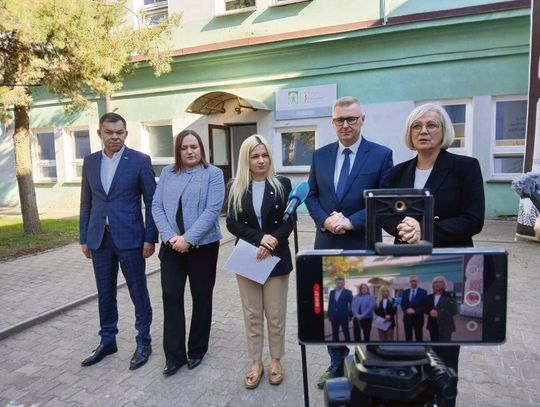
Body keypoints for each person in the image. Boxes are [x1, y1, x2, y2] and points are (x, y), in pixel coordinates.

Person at [382, 103, 485, 405]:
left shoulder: (465, 167)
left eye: (432, 125)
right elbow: (384, 212)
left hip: (449, 268)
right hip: (408, 268)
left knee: (444, 347)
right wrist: (402, 228)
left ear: (444, 132)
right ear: (409, 133)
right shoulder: (399, 172)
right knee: (408, 340)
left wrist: (425, 230)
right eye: (417, 126)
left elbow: (473, 219)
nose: (424, 131)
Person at [305, 96, 393, 388]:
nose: (345, 125)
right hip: (327, 242)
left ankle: (367, 364)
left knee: (365, 309)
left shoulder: (381, 155)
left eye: (351, 119)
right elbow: (312, 195)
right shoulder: (320, 156)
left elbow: (382, 203)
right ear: (332, 123)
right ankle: (336, 365)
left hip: (362, 244)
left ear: (362, 120)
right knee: (334, 310)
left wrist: (351, 221)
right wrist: (325, 219)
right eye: (339, 120)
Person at [79, 112, 158, 370]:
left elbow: (152, 202)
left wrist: (150, 237)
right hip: (99, 240)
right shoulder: (90, 162)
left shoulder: (139, 160)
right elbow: (87, 202)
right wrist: (84, 237)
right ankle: (107, 339)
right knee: (105, 292)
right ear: (99, 133)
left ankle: (143, 340)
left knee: (138, 291)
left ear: (126, 133)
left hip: (131, 239)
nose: (114, 137)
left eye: (119, 132)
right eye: (109, 132)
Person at [152, 130, 225, 377]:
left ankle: (196, 350)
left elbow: (212, 210)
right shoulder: (167, 173)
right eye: (185, 147)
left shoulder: (213, 174)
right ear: (178, 151)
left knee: (201, 298)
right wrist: (171, 237)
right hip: (171, 247)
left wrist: (188, 239)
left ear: (201, 149)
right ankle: (174, 356)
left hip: (203, 248)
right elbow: (156, 206)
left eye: (194, 146)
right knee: (171, 297)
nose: (190, 151)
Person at [226, 135, 294, 389]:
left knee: (275, 315)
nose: (261, 160)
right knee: (253, 314)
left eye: (265, 155)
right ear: (246, 159)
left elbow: (289, 220)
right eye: (255, 156)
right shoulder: (235, 186)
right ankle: (256, 361)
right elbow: (232, 223)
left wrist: (272, 241)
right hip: (248, 258)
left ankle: (275, 360)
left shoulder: (282, 184)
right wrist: (260, 240)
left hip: (276, 258)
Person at [425, 276, 458, 342]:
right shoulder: (429, 297)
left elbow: (453, 310)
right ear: (433, 285)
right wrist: (429, 312)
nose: (437, 284)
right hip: (433, 325)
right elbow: (426, 308)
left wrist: (439, 314)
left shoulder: (450, 295)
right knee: (434, 345)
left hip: (446, 325)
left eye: (440, 282)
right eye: (435, 282)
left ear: (444, 284)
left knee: (445, 346)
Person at [400, 275, 428, 341]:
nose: (413, 282)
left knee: (419, 337)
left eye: (415, 281)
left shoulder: (423, 292)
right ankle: (409, 349)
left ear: (418, 282)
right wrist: (406, 310)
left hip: (418, 319)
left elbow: (425, 306)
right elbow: (402, 303)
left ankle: (419, 350)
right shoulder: (405, 292)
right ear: (409, 282)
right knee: (408, 337)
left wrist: (415, 311)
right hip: (407, 319)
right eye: (411, 281)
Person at [328, 276, 353, 342]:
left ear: (344, 284)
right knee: (335, 333)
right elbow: (330, 304)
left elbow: (352, 304)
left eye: (341, 283)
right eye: (338, 283)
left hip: (344, 316)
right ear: (335, 283)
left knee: (346, 332)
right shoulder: (332, 292)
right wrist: (329, 315)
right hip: (334, 316)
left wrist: (350, 315)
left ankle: (348, 344)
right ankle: (335, 345)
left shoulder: (348, 292)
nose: (339, 284)